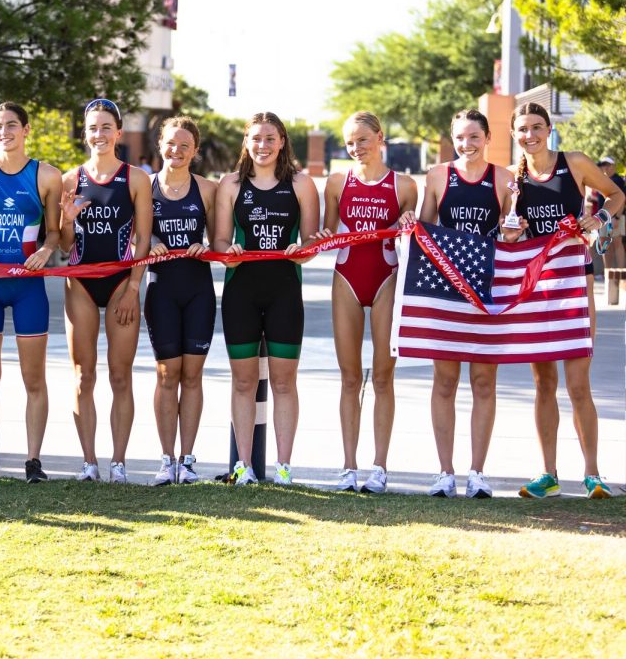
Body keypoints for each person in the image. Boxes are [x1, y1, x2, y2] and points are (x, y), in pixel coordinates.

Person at [503, 102, 623, 499]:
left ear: (549, 128)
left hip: (574, 281)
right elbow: (508, 236)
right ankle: (548, 474)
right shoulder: (513, 180)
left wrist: (600, 219)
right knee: (543, 384)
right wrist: (513, 233)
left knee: (578, 385)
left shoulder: (573, 163)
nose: (529, 135)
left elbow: (616, 195)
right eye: (522, 129)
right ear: (514, 134)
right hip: (536, 288)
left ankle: (593, 475)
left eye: (536, 127)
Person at [400, 109, 510, 499]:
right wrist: (411, 219)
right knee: (444, 382)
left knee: (483, 382)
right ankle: (444, 472)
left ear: (487, 137)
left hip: (486, 292)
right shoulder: (436, 175)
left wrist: (515, 232)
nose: (467, 144)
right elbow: (424, 228)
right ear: (452, 139)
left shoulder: (505, 179)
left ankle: (477, 472)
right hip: (445, 291)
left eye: (474, 137)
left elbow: (512, 237)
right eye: (460, 137)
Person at [212, 112, 319, 486]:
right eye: (256, 138)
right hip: (241, 291)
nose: (263, 145)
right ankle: (244, 466)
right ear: (246, 142)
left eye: (270, 138)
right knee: (242, 383)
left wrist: (301, 251)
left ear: (282, 142)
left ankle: (284, 467)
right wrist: (230, 253)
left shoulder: (302, 185)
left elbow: (310, 246)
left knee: (284, 383)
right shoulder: (230, 185)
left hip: (284, 291)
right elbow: (220, 243)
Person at [314, 112, 417, 494]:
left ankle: (380, 466)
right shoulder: (338, 182)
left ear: (379, 138)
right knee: (350, 377)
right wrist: (318, 236)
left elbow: (411, 234)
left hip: (387, 278)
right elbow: (328, 230)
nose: (356, 147)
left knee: (384, 377)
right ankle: (348, 466)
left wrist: (409, 220)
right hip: (346, 278)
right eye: (350, 141)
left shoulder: (404, 185)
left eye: (362, 139)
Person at [0, 102, 62, 483]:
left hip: (27, 287)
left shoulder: (47, 176)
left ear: (26, 130)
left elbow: (53, 232)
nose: (5, 132)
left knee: (33, 379)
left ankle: (33, 461)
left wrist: (47, 251)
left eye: (12, 125)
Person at [59, 99, 152, 484]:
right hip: (79, 282)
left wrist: (133, 287)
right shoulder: (70, 179)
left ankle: (118, 462)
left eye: (105, 127)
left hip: (120, 285)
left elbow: (144, 239)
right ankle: (89, 462)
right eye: (92, 128)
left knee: (120, 375)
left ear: (118, 133)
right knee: (84, 375)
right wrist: (67, 219)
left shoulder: (135, 179)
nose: (99, 134)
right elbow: (65, 245)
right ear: (86, 134)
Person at [144, 116, 216, 486]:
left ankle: (187, 460)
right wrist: (149, 241)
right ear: (160, 145)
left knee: (192, 375)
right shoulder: (145, 185)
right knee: (166, 374)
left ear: (195, 151)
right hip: (161, 290)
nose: (176, 150)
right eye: (171, 143)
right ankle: (165, 458)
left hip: (198, 290)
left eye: (184, 146)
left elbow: (221, 242)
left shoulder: (206, 189)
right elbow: (135, 236)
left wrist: (206, 246)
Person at [586, 157, 625, 270]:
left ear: (613, 166)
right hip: (604, 218)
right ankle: (608, 272)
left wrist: (617, 218)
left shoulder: (617, 180)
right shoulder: (604, 180)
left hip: (615, 217)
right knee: (605, 244)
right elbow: (605, 199)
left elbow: (621, 199)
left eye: (607, 164)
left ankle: (622, 273)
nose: (604, 167)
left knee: (617, 243)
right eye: (602, 165)